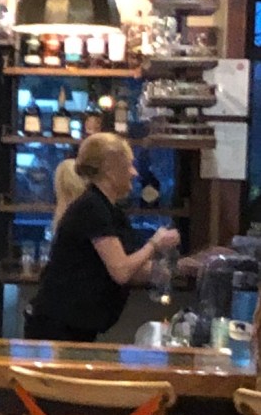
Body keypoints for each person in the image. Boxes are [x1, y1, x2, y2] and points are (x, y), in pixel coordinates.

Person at [24, 133, 178, 344]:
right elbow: (121, 271)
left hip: (75, 324)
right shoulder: (92, 207)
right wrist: (155, 243)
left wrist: (181, 267)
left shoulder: (109, 210)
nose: (134, 173)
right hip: (57, 326)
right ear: (109, 170)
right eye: (128, 165)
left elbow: (131, 267)